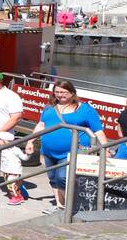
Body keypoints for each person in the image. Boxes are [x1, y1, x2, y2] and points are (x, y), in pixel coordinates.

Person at [25, 80, 107, 213]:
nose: (60, 95)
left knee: (63, 177)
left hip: (73, 151)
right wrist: (30, 141)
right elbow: (41, 125)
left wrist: (106, 148)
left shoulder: (85, 109)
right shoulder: (49, 108)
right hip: (48, 151)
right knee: (53, 178)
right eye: (57, 92)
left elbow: (98, 131)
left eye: (63, 92)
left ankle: (71, 205)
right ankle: (60, 205)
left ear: (72, 92)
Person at [0, 130, 29, 205]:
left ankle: (17, 198)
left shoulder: (15, 150)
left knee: (11, 185)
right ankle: (22, 194)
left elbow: (24, 158)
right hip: (5, 170)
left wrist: (28, 154)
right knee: (16, 184)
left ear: (5, 141)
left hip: (14, 171)